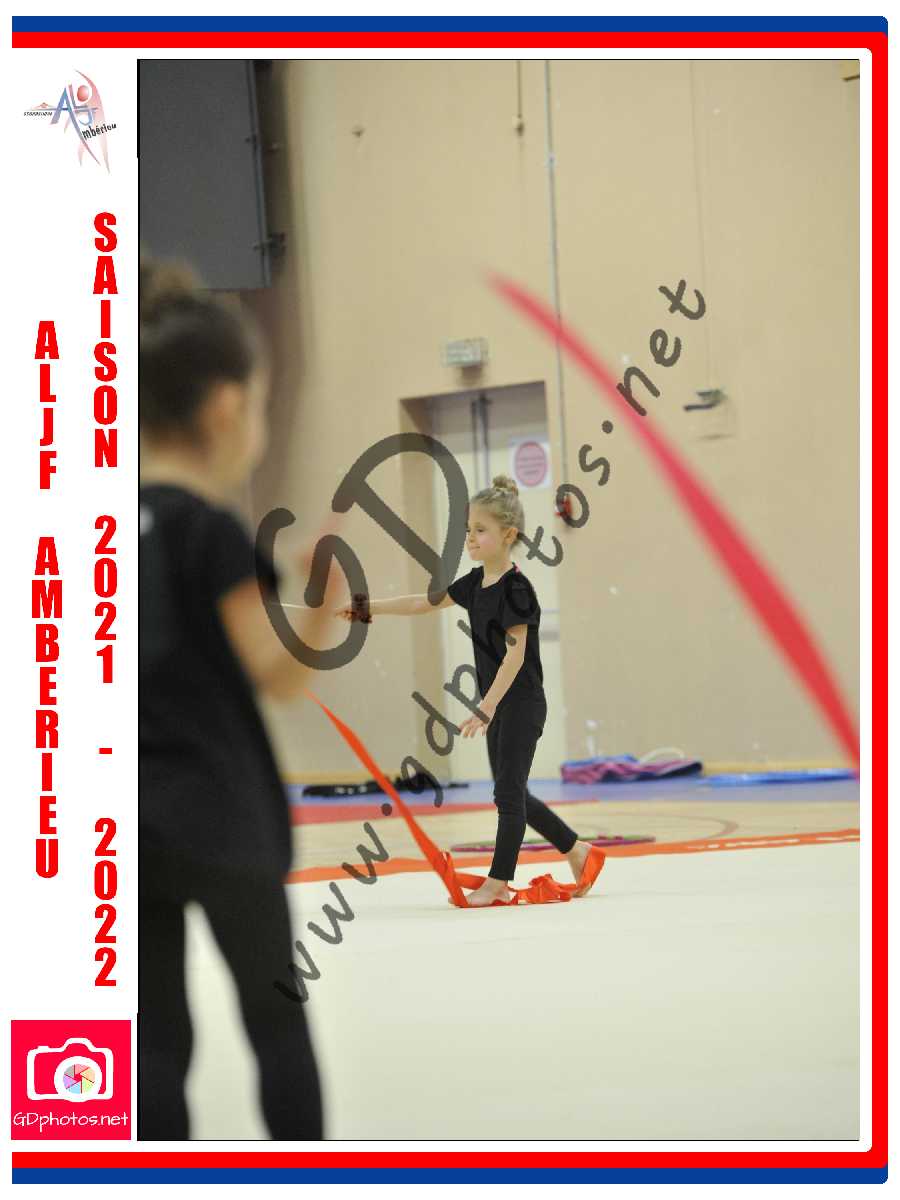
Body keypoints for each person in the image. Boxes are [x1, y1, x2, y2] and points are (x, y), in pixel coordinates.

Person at [139, 262, 341, 1138]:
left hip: (124, 822)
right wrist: (323, 609)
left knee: (153, 1038)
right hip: (221, 816)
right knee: (275, 1022)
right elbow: (276, 674)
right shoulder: (210, 530)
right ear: (227, 408)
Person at [337, 474, 603, 907]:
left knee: (508, 795)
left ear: (508, 535)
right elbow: (423, 602)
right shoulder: (474, 583)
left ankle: (498, 883)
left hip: (521, 703)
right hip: (498, 706)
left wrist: (486, 707)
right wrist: (368, 607)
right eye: (468, 530)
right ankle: (577, 850)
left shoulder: (517, 589)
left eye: (480, 530)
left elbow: (514, 656)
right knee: (512, 792)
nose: (470, 538)